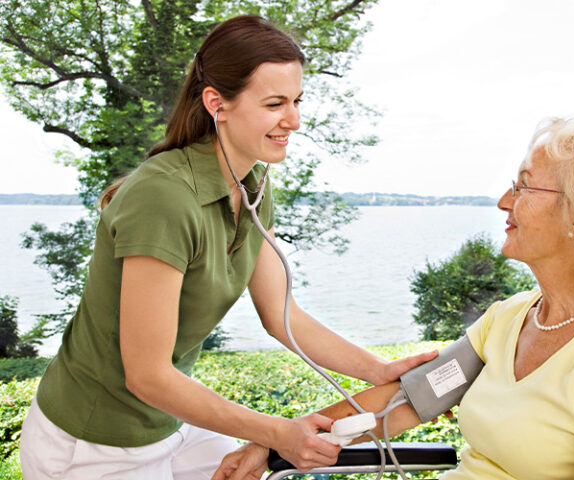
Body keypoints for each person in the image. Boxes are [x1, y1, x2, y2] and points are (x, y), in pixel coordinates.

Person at [19, 15, 436, 480]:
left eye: (297, 101)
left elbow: (281, 314)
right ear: (217, 103)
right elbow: (147, 374)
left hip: (171, 423)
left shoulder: (253, 182)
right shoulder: (163, 197)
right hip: (94, 443)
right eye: (275, 103)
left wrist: (378, 370)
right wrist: (278, 432)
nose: (294, 121)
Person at [214, 117, 574, 480]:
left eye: (524, 186)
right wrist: (273, 443)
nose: (502, 201)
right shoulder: (509, 318)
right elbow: (411, 399)